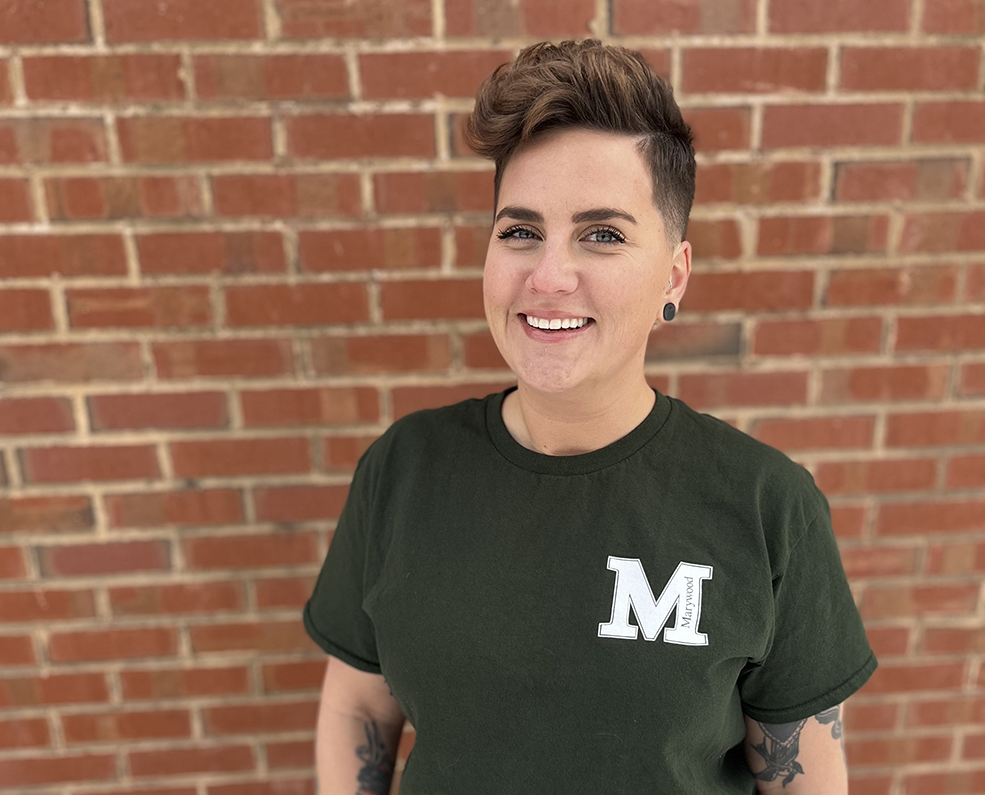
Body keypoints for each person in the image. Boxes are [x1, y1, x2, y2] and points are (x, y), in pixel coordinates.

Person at [304, 39, 876, 794]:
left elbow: (802, 776)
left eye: (602, 234)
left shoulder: (765, 505)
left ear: (673, 275)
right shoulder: (403, 469)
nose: (548, 276)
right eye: (520, 231)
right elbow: (357, 705)